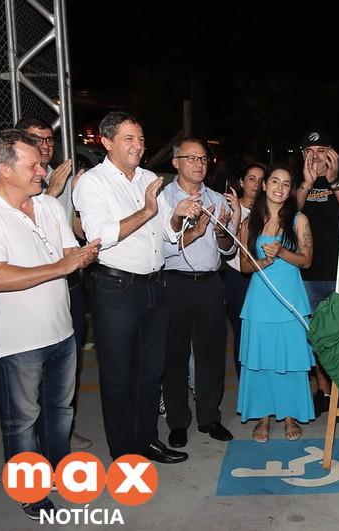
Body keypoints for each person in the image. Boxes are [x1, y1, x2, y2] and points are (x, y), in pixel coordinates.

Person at [0, 129, 100, 518]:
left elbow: (68, 252)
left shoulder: (48, 205)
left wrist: (82, 255)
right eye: (32, 164)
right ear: (3, 169)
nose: (41, 170)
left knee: (60, 410)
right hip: (18, 341)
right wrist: (63, 265)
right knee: (22, 420)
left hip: (62, 331)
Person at [73, 111, 200, 464]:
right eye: (129, 138)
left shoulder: (148, 178)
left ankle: (147, 440)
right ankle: (123, 452)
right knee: (117, 376)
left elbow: (167, 235)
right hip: (116, 288)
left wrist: (178, 216)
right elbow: (99, 236)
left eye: (141, 139)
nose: (138, 145)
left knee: (150, 372)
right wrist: (147, 210)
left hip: (155, 286)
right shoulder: (93, 183)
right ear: (106, 141)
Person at [15, 117, 93, 451]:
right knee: (29, 378)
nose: (45, 146)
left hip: (69, 288)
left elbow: (75, 234)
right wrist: (51, 192)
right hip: (29, 293)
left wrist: (75, 200)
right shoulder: (16, 188)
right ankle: (31, 444)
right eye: (36, 140)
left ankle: (61, 430)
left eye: (49, 140)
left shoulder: (65, 176)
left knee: (67, 365)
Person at [161, 138, 240, 448]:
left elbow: (229, 248)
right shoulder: (163, 199)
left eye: (204, 159)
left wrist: (221, 232)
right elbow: (163, 247)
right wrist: (191, 227)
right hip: (174, 282)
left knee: (210, 355)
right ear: (175, 162)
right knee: (174, 355)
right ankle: (178, 422)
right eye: (191, 158)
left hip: (209, 282)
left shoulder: (218, 199)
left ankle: (210, 417)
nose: (198, 164)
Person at [237, 167, 315, 442]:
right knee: (261, 360)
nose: (279, 188)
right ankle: (263, 418)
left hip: (290, 298)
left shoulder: (298, 220)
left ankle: (291, 416)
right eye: (274, 181)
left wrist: (282, 252)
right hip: (260, 300)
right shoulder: (250, 223)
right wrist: (266, 261)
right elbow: (245, 267)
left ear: (291, 189)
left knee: (291, 360)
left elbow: (306, 261)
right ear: (265, 186)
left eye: (286, 183)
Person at [295, 129, 339, 416]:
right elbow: (287, 213)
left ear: (332, 153)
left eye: (322, 150)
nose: (316, 156)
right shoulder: (298, 185)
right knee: (315, 339)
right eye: (310, 151)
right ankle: (323, 390)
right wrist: (306, 183)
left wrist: (333, 180)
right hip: (308, 275)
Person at [225, 162, 265, 378]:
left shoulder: (270, 210)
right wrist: (237, 214)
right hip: (238, 277)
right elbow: (225, 242)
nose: (256, 184)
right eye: (251, 179)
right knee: (242, 334)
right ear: (241, 182)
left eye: (260, 180)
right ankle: (246, 388)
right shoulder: (229, 206)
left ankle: (262, 385)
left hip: (263, 276)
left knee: (262, 334)